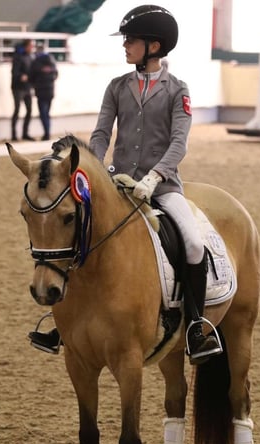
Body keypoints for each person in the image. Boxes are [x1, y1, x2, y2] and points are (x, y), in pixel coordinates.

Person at [29, 5, 221, 365]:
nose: (126, 46)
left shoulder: (178, 90)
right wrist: (91, 171)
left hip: (160, 187)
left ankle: (196, 325)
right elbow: (101, 134)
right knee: (76, 233)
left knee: (193, 244)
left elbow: (179, 143)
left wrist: (154, 177)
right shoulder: (117, 86)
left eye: (131, 40)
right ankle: (63, 324)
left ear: (154, 45)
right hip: (117, 183)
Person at [29, 41, 59, 141]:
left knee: (43, 113)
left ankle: (46, 134)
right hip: (50, 90)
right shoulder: (52, 61)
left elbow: (31, 76)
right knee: (47, 113)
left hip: (41, 91)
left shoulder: (36, 62)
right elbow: (56, 75)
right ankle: (47, 133)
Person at [10, 39, 35, 141]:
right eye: (31, 46)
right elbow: (14, 72)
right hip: (18, 88)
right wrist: (21, 76)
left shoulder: (31, 57)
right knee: (17, 110)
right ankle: (14, 134)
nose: (32, 48)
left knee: (29, 110)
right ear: (26, 46)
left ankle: (25, 133)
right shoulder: (18, 57)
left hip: (27, 87)